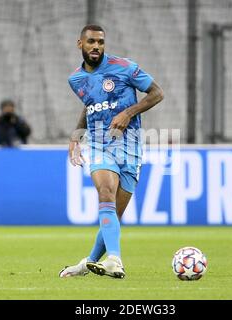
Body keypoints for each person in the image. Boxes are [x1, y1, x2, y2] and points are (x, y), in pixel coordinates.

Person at [59, 25, 164, 279]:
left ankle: (90, 262)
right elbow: (90, 105)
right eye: (91, 42)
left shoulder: (125, 67)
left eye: (101, 42)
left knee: (114, 214)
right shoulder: (75, 79)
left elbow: (157, 93)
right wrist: (76, 135)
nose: (96, 46)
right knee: (105, 192)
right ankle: (115, 261)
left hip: (131, 145)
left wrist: (128, 113)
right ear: (80, 44)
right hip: (98, 143)